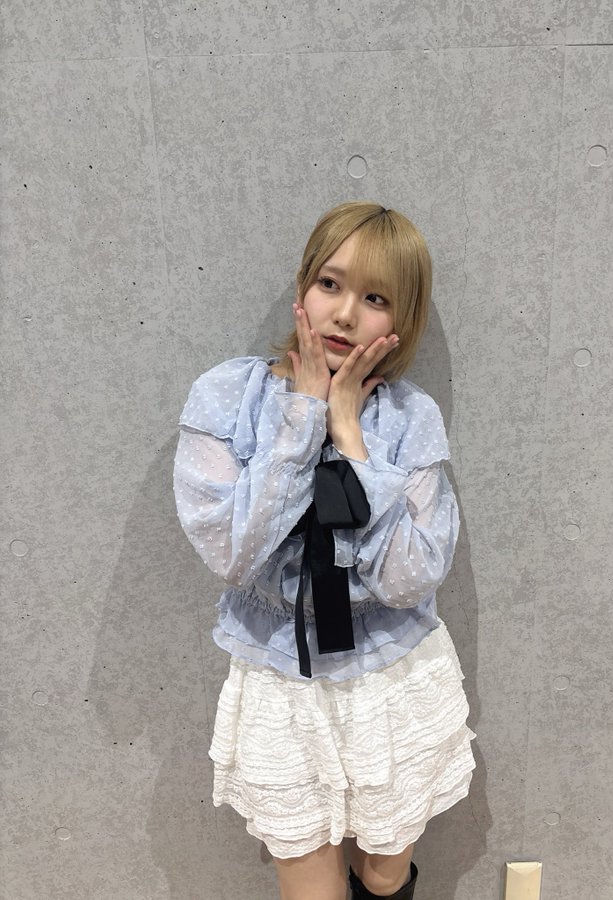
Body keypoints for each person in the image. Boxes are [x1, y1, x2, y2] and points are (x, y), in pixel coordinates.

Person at [173, 202, 477, 900]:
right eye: (330, 284)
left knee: (384, 874)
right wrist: (304, 416)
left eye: (375, 298)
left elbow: (410, 577)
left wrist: (353, 440)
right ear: (303, 285)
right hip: (282, 679)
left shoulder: (410, 418)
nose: (344, 314)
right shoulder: (227, 397)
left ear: (402, 318)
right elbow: (234, 554)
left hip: (393, 674)